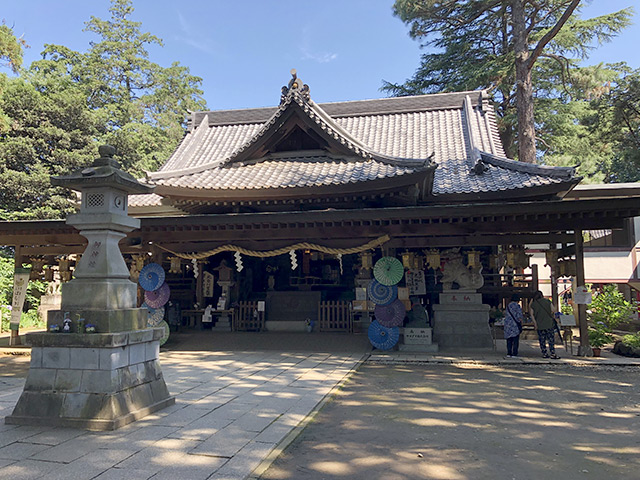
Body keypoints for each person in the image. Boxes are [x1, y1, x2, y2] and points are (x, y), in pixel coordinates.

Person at [530, 290, 560, 359]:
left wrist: (535, 324)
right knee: (551, 339)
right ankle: (552, 353)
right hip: (549, 323)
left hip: (540, 324)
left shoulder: (533, 304)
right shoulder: (547, 301)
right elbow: (553, 310)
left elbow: (532, 314)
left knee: (542, 339)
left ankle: (544, 353)